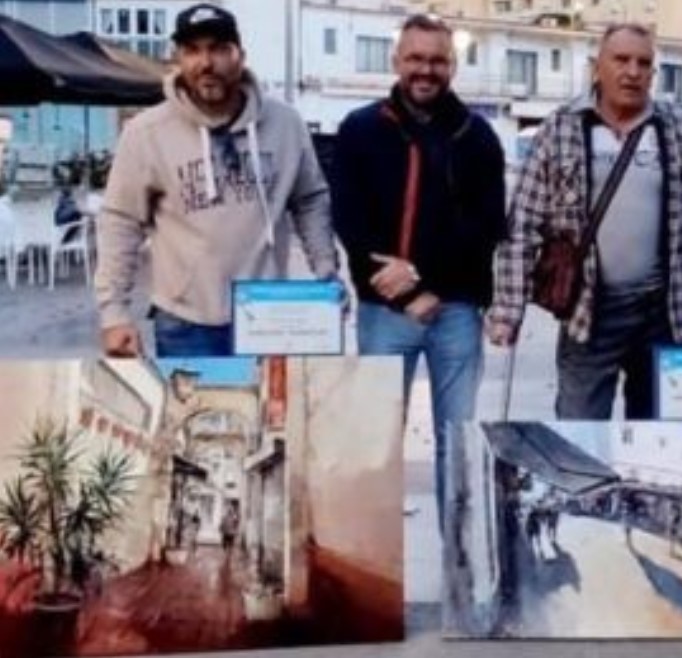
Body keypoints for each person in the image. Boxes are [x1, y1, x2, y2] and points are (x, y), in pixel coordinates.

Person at [489, 24, 682, 420]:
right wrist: (507, 310)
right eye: (621, 60)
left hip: (664, 311)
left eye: (644, 63)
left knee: (660, 439)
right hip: (589, 313)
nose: (633, 71)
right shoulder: (561, 128)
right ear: (597, 67)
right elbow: (522, 225)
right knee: (580, 435)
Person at [331, 13, 504, 518]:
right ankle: (380, 562)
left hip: (456, 313)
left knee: (459, 444)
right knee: (378, 444)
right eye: (415, 59)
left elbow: (486, 224)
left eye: (436, 60)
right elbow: (350, 220)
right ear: (396, 61)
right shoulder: (361, 129)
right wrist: (404, 291)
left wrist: (423, 277)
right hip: (383, 313)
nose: (425, 70)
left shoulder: (478, 137)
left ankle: (459, 560)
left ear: (452, 65)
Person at [95, 3, 339, 357]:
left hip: (270, 316)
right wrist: (113, 312)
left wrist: (326, 270)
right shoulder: (146, 133)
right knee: (194, 414)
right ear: (177, 58)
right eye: (192, 50)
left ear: (240, 55)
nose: (206, 63)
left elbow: (311, 199)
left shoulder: (286, 124)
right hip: (185, 321)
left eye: (218, 49)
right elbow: (120, 220)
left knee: (269, 413)